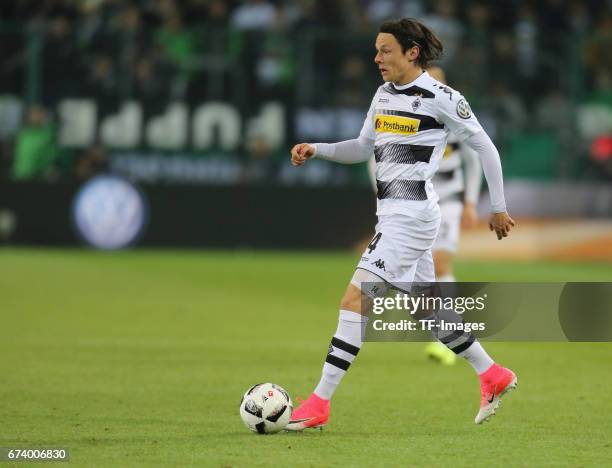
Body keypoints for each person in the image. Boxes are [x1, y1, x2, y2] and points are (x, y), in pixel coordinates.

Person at [287, 18, 516, 430]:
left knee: (354, 301)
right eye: (376, 50)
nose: (376, 58)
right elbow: (362, 147)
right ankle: (492, 373)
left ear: (412, 52)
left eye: (385, 50)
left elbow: (485, 147)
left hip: (409, 220)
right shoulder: (382, 95)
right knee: (425, 308)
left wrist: (496, 206)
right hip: (395, 215)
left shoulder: (441, 96)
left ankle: (319, 402)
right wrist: (317, 149)